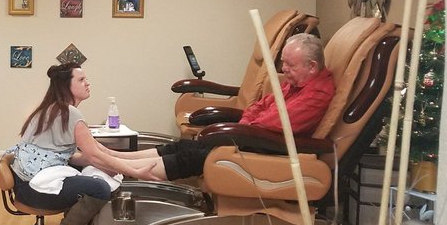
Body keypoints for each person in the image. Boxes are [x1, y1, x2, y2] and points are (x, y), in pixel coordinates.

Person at [109, 33, 335, 182]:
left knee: (192, 156)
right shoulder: (296, 84)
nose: (283, 69)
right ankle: (115, 158)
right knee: (184, 146)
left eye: (290, 64)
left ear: (312, 66)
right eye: (283, 62)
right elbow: (259, 106)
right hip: (252, 137)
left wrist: (244, 127)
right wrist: (246, 123)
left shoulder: (317, 94)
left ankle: (121, 168)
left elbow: (273, 123)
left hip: (267, 149)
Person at [7, 62, 150, 225]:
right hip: (32, 189)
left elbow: (81, 155)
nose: (87, 83)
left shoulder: (50, 109)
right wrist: (133, 170)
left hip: (23, 184)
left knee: (89, 171)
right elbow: (94, 154)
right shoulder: (69, 113)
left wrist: (124, 162)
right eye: (81, 80)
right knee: (99, 188)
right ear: (66, 86)